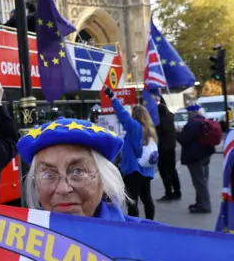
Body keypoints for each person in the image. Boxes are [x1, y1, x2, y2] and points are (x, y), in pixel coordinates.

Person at [17, 117, 161, 224]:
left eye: (78, 171)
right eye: (48, 174)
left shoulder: (152, 243)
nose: (63, 189)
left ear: (104, 180)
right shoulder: (15, 246)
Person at [104, 87, 157, 220]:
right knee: (147, 198)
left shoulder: (135, 128)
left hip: (134, 170)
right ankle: (150, 222)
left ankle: (135, 225)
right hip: (147, 170)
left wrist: (113, 97)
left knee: (132, 201)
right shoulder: (150, 130)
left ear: (135, 116)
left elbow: (122, 115)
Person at [178, 104, 215, 213]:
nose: (187, 116)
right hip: (205, 154)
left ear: (192, 113)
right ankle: (200, 202)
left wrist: (178, 134)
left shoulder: (193, 124)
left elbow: (184, 139)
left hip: (195, 156)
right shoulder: (203, 120)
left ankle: (204, 205)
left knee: (199, 181)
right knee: (203, 180)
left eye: (188, 114)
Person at [156, 100, 182, 201]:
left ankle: (168, 193)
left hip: (162, 148)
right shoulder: (170, 118)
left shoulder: (159, 122)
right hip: (171, 148)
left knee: (164, 171)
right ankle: (177, 191)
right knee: (172, 170)